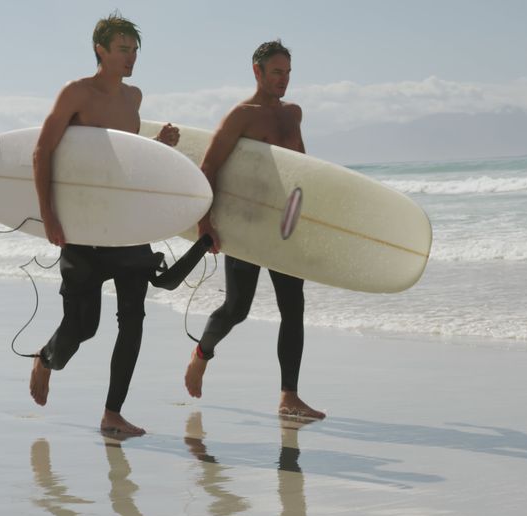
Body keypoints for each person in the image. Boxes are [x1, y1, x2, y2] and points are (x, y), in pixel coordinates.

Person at [28, 12, 190, 435]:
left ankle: (112, 414)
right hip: (84, 227)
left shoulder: (133, 98)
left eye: (134, 50)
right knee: (84, 327)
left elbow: (124, 162)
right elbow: (42, 151)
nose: (130, 57)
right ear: (101, 50)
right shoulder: (76, 93)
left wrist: (159, 146)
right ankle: (47, 359)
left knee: (133, 321)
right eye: (123, 50)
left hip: (125, 226)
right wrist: (48, 213)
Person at [184, 40, 326, 420]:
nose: (284, 80)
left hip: (283, 227)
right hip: (247, 227)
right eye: (277, 72)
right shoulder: (241, 116)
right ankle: (201, 354)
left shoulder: (293, 114)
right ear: (257, 72)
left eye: (288, 73)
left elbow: (301, 174)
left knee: (293, 308)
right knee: (237, 308)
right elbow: (208, 168)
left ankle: (289, 397)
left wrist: (309, 221)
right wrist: (206, 224)